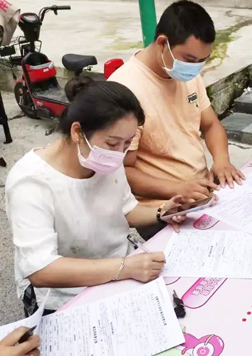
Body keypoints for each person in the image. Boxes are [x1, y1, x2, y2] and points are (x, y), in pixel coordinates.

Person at [6, 77, 190, 314]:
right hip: (65, 295)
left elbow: (127, 210)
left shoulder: (105, 159)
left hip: (121, 274)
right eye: (112, 143)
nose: (119, 154)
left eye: (127, 144)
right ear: (77, 132)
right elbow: (41, 270)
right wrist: (124, 267)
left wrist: (161, 212)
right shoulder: (31, 182)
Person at [109, 0, 245, 224]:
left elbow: (211, 125)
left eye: (202, 61)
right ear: (163, 43)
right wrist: (178, 188)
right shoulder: (125, 89)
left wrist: (221, 160)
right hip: (164, 207)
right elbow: (123, 172)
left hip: (201, 194)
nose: (195, 67)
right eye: (189, 60)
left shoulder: (188, 75)